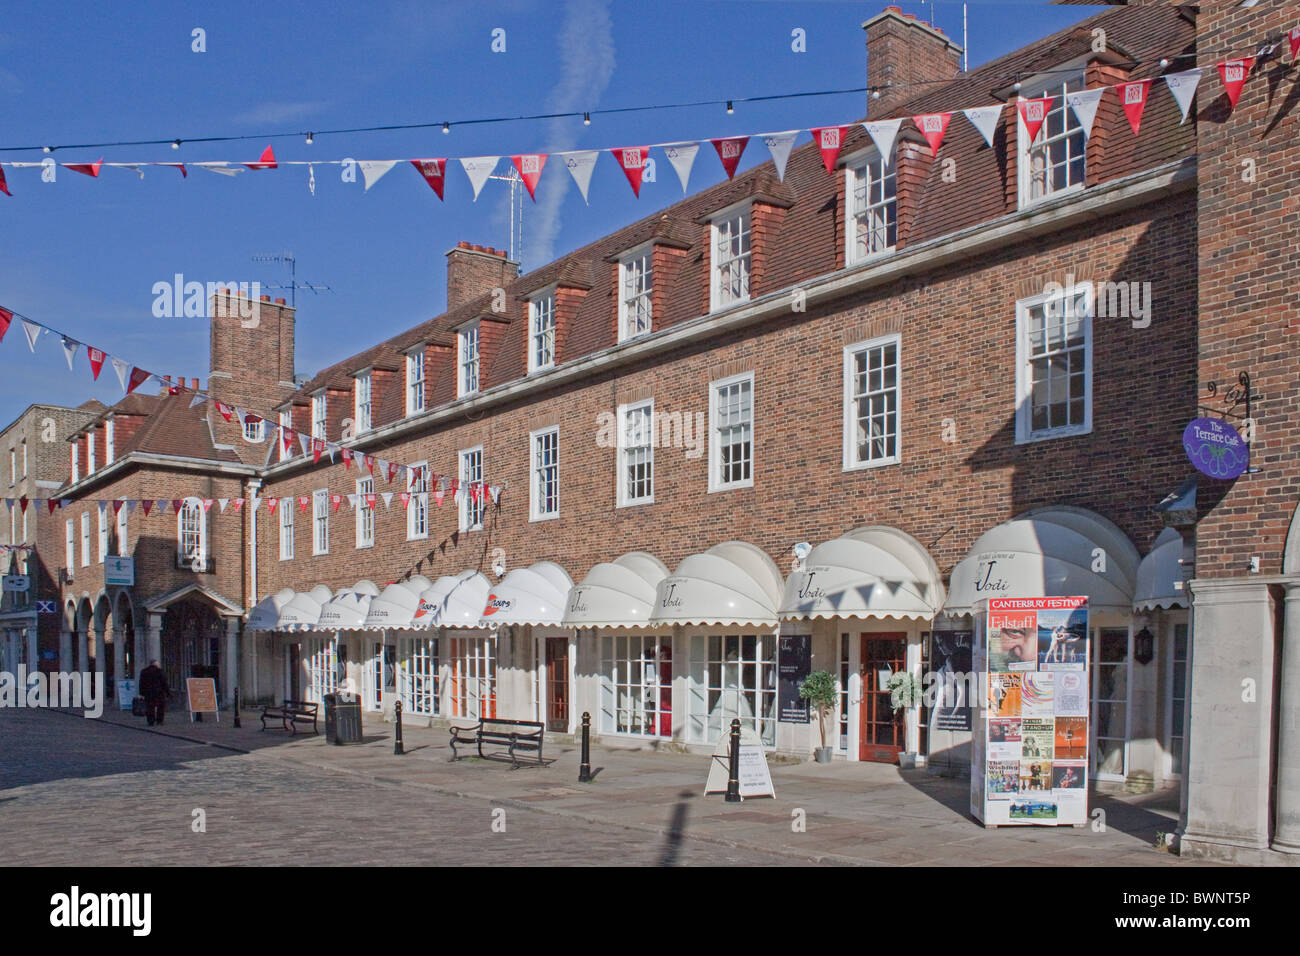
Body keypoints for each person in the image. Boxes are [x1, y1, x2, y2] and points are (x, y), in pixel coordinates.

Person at [139, 659, 169, 726]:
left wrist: (141, 693)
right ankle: (159, 721)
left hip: (148, 692)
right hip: (159, 692)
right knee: (160, 707)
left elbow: (141, 683)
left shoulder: (144, 671)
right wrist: (168, 692)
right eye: (158, 664)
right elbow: (164, 683)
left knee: (150, 707)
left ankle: (151, 721)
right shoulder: (160, 671)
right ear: (156, 664)